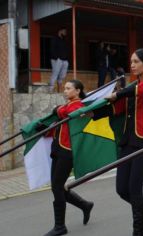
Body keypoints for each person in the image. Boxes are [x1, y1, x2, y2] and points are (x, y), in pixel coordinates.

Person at [91, 48, 143, 236]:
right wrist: (92, 113)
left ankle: (137, 232)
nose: (131, 65)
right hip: (127, 142)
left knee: (134, 188)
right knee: (122, 189)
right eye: (131, 61)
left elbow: (134, 92)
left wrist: (119, 93)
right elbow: (117, 109)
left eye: (135, 61)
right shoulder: (131, 88)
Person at [43, 80, 94, 236]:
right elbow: (60, 113)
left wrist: (57, 109)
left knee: (57, 187)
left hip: (68, 151)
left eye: (68, 88)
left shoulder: (78, 106)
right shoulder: (68, 105)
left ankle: (60, 226)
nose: (65, 91)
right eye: (64, 88)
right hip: (58, 149)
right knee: (56, 186)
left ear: (77, 91)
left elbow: (64, 111)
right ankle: (85, 205)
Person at [50, 28, 69, 93]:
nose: (65, 33)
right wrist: (56, 58)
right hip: (57, 59)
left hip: (64, 60)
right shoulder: (55, 39)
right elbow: (52, 49)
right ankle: (51, 89)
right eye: (64, 31)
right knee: (55, 74)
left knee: (62, 76)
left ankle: (59, 91)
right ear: (60, 31)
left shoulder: (64, 40)